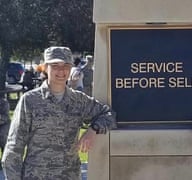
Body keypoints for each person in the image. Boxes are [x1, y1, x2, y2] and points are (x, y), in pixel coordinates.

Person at [2, 46, 116, 180]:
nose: (61, 71)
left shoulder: (78, 100)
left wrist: (93, 130)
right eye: (55, 65)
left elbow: (109, 114)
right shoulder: (30, 101)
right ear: (45, 67)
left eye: (66, 65)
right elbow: (13, 148)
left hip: (69, 175)